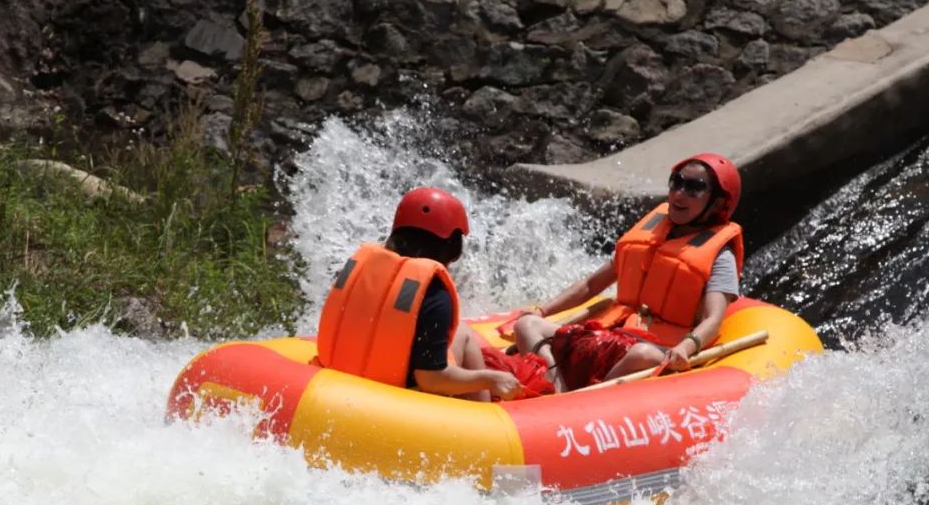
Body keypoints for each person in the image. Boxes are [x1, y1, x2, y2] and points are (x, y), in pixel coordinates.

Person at [513, 153, 744, 391]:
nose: (679, 193)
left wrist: (686, 347)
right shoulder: (649, 237)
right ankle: (556, 392)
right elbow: (591, 285)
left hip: (659, 350)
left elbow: (712, 319)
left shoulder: (720, 256)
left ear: (717, 203)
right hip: (613, 338)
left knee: (641, 354)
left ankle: (584, 402)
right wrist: (542, 311)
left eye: (694, 188)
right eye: (677, 182)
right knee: (527, 325)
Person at [317, 186, 523, 401]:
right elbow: (431, 380)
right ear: (451, 246)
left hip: (338, 382)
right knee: (464, 334)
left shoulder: (360, 270)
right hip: (395, 402)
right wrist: (489, 379)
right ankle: (484, 419)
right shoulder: (434, 294)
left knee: (459, 331)